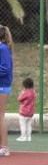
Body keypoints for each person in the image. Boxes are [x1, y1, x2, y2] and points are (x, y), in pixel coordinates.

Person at [0, 25, 12, 156]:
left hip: (2, 85)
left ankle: (4, 147)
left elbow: (5, 69)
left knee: (0, 115)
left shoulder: (2, 48)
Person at [16, 77, 35, 143]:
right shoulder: (33, 92)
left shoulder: (25, 92)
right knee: (29, 125)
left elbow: (19, 99)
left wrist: (22, 92)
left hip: (23, 112)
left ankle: (23, 137)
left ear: (24, 85)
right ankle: (29, 137)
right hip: (31, 112)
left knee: (23, 125)